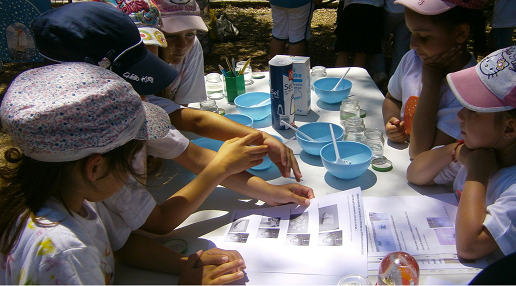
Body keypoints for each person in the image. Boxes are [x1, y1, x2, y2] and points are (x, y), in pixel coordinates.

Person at [31, 0, 312, 259]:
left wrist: (269, 192)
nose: (145, 98)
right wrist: (221, 168)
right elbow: (156, 223)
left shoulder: (123, 117)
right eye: (135, 85)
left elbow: (192, 153)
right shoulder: (102, 150)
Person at [0, 62, 248, 284]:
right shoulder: (64, 253)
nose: (140, 169)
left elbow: (120, 243)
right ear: (95, 168)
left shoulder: (70, 195)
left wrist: (186, 264)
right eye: (134, 160)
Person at [407, 45, 516, 260]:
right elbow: (415, 173)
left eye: (472, 110)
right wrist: (457, 151)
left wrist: (476, 174)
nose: (460, 115)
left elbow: (469, 247)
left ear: (509, 128)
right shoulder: (481, 149)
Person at [382, 0, 482, 159]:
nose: (412, 45)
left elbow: (420, 153)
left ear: (461, 33)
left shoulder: (471, 89)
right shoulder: (412, 60)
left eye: (424, 37)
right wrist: (392, 121)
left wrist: (431, 83)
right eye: (411, 34)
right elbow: (392, 98)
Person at [152, 0, 208, 105]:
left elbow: (183, 105)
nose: (182, 45)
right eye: (171, 36)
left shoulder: (193, 46)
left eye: (190, 34)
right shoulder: (140, 57)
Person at [370, 0, 411, 88]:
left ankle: (379, 72)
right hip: (407, 9)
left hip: (390, 8)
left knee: (377, 39)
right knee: (402, 45)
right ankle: (395, 79)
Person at [334, 0, 385, 69]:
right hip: (371, 10)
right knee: (361, 51)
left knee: (344, 50)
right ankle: (347, 77)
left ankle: (339, 77)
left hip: (352, 8)